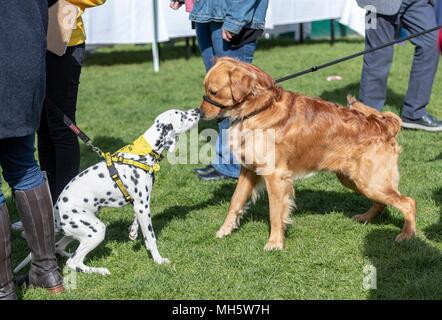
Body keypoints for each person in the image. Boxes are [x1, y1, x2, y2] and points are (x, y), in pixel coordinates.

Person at [0, 0, 64, 300]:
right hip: (23, 59)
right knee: (25, 165)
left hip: (17, 53)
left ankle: (4, 287)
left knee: (24, 166)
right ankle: (47, 271)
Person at [171, 0, 269, 181]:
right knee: (217, 94)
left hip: (233, 15)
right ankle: (225, 161)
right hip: (206, 13)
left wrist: (235, 20)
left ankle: (236, 165)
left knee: (236, 97)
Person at [38, 0, 106, 203]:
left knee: (62, 126)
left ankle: (65, 206)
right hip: (32, 39)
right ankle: (46, 205)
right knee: (42, 127)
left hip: (65, 42)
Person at [357, 0, 442, 131]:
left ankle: (414, 114)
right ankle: (367, 117)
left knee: (431, 42)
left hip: (418, 2)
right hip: (378, 4)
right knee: (377, 55)